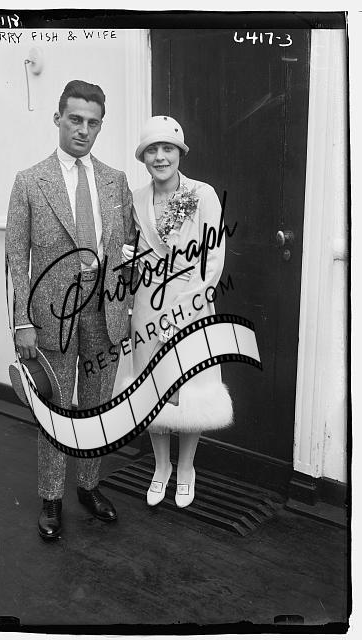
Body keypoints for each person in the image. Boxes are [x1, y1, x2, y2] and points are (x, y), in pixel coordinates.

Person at [6, 80, 135, 539]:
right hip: (51, 317)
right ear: (58, 118)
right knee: (57, 407)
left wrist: (126, 301)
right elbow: (16, 258)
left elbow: (129, 243)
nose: (83, 129)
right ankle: (51, 497)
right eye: (75, 119)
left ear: (101, 126)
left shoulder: (115, 180)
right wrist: (23, 320)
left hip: (104, 313)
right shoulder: (29, 181)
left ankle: (89, 486)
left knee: (98, 404)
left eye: (92, 122)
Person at [121, 115, 233, 509]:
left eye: (167, 148)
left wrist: (183, 312)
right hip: (147, 307)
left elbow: (212, 259)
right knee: (152, 389)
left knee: (191, 392)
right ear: (143, 157)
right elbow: (136, 254)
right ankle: (161, 467)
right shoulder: (136, 198)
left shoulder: (202, 194)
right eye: (152, 150)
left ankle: (186, 468)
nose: (160, 157)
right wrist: (128, 258)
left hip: (191, 305)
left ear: (180, 153)